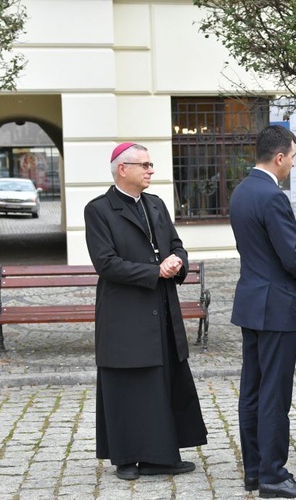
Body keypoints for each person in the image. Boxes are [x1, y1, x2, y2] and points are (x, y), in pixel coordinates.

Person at [84, 143, 208, 481]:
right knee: (126, 386)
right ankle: (125, 457)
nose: (151, 170)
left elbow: (176, 244)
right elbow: (106, 263)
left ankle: (160, 457)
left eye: (151, 165)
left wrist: (177, 260)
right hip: (124, 314)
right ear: (123, 169)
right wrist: (155, 272)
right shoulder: (99, 210)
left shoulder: (156, 204)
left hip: (161, 310)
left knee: (159, 385)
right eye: (145, 164)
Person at [229, 125, 296, 498]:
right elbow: (290, 254)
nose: (292, 166)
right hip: (277, 305)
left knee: (252, 389)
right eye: (293, 159)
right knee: (274, 394)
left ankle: (254, 470)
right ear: (279, 157)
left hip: (251, 301)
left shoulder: (241, 191)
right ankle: (273, 475)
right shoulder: (272, 196)